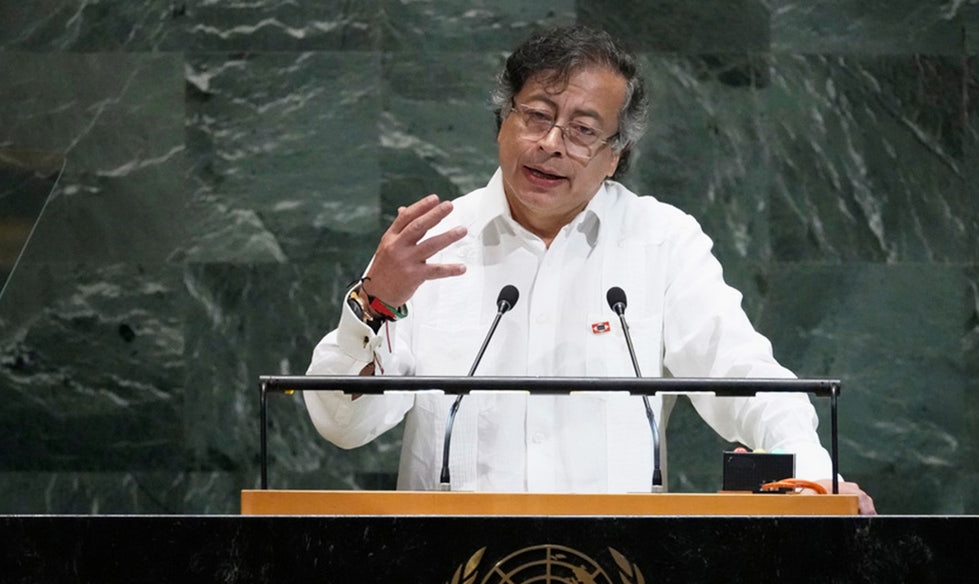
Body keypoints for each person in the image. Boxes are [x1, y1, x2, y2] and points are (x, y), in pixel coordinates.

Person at [305, 24, 875, 514]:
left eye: (582, 130)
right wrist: (373, 305)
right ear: (503, 122)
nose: (551, 144)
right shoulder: (429, 246)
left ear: (615, 154)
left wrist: (812, 482)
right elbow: (343, 424)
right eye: (537, 116)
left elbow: (745, 379)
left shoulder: (660, 241)